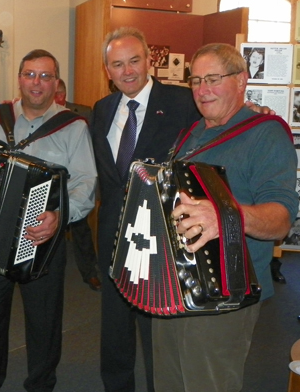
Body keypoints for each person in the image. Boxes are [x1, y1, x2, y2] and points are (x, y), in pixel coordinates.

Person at [152, 43, 298, 392]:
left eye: (213, 79)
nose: (202, 90)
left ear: (242, 80)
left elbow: (281, 220)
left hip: (226, 290)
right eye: (196, 80)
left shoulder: (266, 134)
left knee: (208, 384)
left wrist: (226, 216)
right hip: (174, 283)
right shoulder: (191, 132)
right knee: (169, 382)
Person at [0, 49, 96, 392]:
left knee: (44, 321)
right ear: (19, 78)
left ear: (56, 83)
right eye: (30, 74)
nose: (37, 83)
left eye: (46, 76)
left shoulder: (73, 127)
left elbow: (86, 184)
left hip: (44, 239)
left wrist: (60, 216)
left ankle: (42, 383)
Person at [90, 26, 202, 392]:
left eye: (134, 60)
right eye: (117, 64)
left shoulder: (184, 102)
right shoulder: (102, 109)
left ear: (149, 59)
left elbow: (219, 127)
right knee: (115, 326)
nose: (127, 71)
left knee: (157, 329)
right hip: (112, 235)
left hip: (162, 238)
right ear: (107, 70)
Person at [54, 78, 101, 291]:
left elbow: (94, 145)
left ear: (62, 96)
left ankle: (89, 271)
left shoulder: (83, 113)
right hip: (49, 181)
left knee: (81, 229)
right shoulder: (38, 114)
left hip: (76, 181)